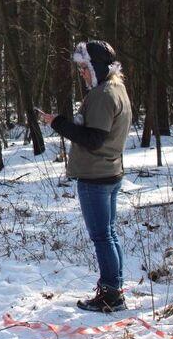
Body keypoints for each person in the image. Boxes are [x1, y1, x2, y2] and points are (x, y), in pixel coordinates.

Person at [39, 40, 131, 313]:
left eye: (84, 68)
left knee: (102, 236)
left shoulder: (104, 94)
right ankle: (113, 288)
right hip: (109, 172)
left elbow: (93, 140)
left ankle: (111, 295)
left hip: (96, 176)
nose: (81, 73)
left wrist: (58, 123)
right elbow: (97, 132)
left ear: (98, 66)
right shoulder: (116, 88)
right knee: (108, 234)